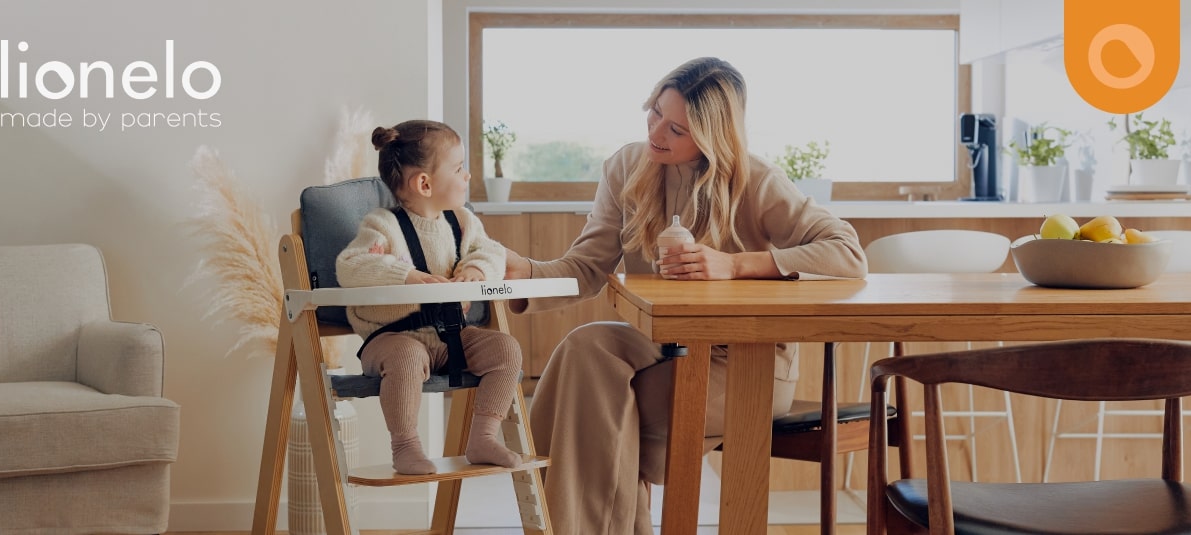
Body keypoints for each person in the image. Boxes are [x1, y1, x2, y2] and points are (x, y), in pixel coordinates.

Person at [504, 57, 868, 533]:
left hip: (744, 362)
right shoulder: (626, 167)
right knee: (585, 349)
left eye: (677, 129)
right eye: (655, 113)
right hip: (666, 343)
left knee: (600, 408)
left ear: (713, 135)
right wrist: (521, 273)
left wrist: (736, 265)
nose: (657, 132)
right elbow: (587, 268)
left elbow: (847, 252)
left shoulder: (755, 180)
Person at [336, 120, 523, 475]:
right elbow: (352, 266)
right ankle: (405, 445)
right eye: (458, 168)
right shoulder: (382, 226)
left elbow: (491, 252)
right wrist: (406, 275)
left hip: (450, 335)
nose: (467, 176)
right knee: (407, 356)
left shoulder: (463, 222)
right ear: (424, 183)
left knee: (506, 349)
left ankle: (483, 436)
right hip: (392, 340)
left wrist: (476, 271)